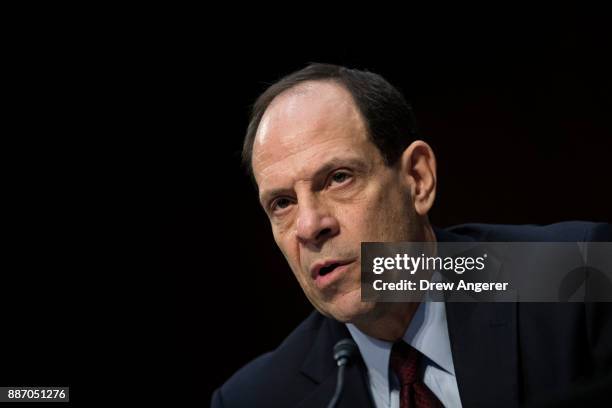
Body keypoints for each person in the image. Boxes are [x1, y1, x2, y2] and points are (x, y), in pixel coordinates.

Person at [211, 63, 612, 407]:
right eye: (282, 203)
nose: (310, 226)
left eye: (338, 178)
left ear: (417, 179)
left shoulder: (574, 280)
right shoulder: (258, 397)